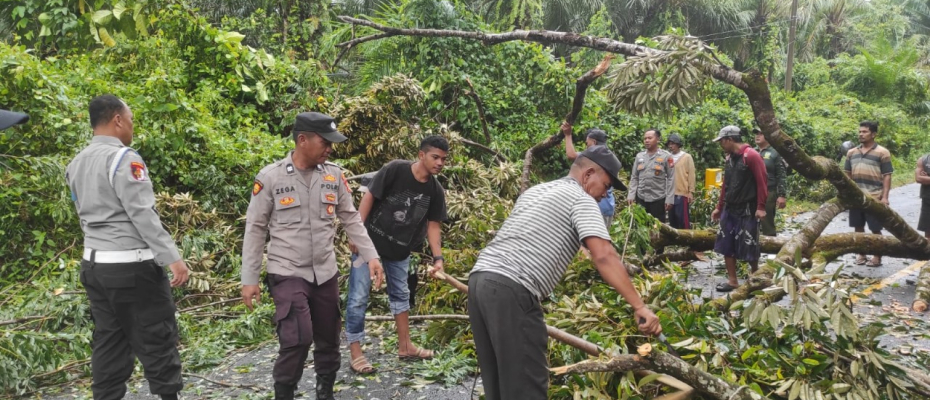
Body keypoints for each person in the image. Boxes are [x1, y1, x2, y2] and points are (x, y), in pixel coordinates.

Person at [468, 146, 662, 400]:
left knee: (500, 384)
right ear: (588, 174)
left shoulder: (537, 191)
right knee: (526, 388)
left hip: (480, 281)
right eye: (606, 186)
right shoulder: (581, 199)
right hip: (512, 288)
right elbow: (604, 255)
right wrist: (640, 306)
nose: (605, 194)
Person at [241, 112, 385, 400]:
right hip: (287, 271)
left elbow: (351, 218)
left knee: (329, 338)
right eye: (325, 142)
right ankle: (284, 393)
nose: (330, 148)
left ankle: (325, 392)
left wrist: (372, 256)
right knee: (298, 337)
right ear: (302, 140)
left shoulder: (334, 175)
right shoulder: (271, 177)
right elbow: (255, 228)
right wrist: (250, 278)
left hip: (325, 272)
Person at [66, 95, 190, 400]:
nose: (133, 126)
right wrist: (172, 258)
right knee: (157, 336)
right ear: (118, 120)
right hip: (132, 268)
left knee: (109, 340)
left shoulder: (76, 163)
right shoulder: (123, 159)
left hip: (95, 266)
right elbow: (142, 214)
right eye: (131, 120)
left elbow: (82, 214)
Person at [345, 136, 449, 374]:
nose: (440, 163)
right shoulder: (396, 169)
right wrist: (356, 233)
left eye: (444, 159)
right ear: (421, 155)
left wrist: (438, 259)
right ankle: (356, 353)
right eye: (435, 157)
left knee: (401, 295)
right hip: (369, 245)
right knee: (359, 296)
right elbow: (369, 196)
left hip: (400, 250)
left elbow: (434, 225)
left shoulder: (435, 191)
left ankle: (405, 346)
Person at [710, 125, 768, 292]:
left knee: (750, 243)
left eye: (722, 141)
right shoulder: (729, 158)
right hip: (730, 208)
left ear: (730, 139)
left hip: (747, 208)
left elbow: (762, 182)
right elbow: (725, 185)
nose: (721, 145)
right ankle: (733, 280)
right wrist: (719, 207)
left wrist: (761, 206)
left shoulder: (751, 156)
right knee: (726, 243)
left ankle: (755, 276)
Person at [845, 121, 893, 267]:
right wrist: (847, 194)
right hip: (856, 197)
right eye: (860, 131)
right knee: (858, 227)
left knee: (875, 228)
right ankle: (861, 254)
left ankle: (877, 256)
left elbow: (887, 175)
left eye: (865, 132)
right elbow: (847, 175)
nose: (861, 134)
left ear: (873, 134)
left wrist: (885, 197)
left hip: (874, 196)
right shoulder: (851, 152)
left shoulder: (882, 152)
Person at [563, 122, 616, 226]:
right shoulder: (609, 156)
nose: (586, 146)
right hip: (607, 207)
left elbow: (571, 155)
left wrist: (568, 135)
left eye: (587, 143)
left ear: (594, 142)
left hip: (597, 208)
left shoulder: (593, 156)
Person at [627, 129, 674, 222]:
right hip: (641, 198)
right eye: (645, 138)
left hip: (658, 199)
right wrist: (631, 195)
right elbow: (634, 177)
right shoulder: (639, 156)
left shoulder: (666, 156)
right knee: (641, 226)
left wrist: (670, 199)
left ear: (658, 139)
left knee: (657, 227)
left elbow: (671, 178)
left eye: (650, 138)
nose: (647, 140)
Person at [754, 128, 787, 236]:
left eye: (761, 134)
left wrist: (781, 195)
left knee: (766, 223)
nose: (757, 136)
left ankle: (771, 243)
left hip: (768, 192)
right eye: (756, 133)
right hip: (752, 192)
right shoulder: (752, 151)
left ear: (768, 136)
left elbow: (781, 175)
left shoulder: (775, 153)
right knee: (751, 223)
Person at [665, 133, 695, 229]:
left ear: (678, 144)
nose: (671, 146)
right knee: (672, 219)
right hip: (670, 193)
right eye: (669, 144)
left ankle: (687, 236)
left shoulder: (687, 157)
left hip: (682, 193)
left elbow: (691, 175)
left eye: (673, 144)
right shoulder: (667, 157)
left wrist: (691, 192)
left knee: (682, 219)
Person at [915, 152, 930, 239]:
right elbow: (918, 178)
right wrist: (922, 178)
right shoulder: (924, 160)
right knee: (928, 231)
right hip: (928, 200)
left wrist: (927, 178)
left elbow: (922, 178)